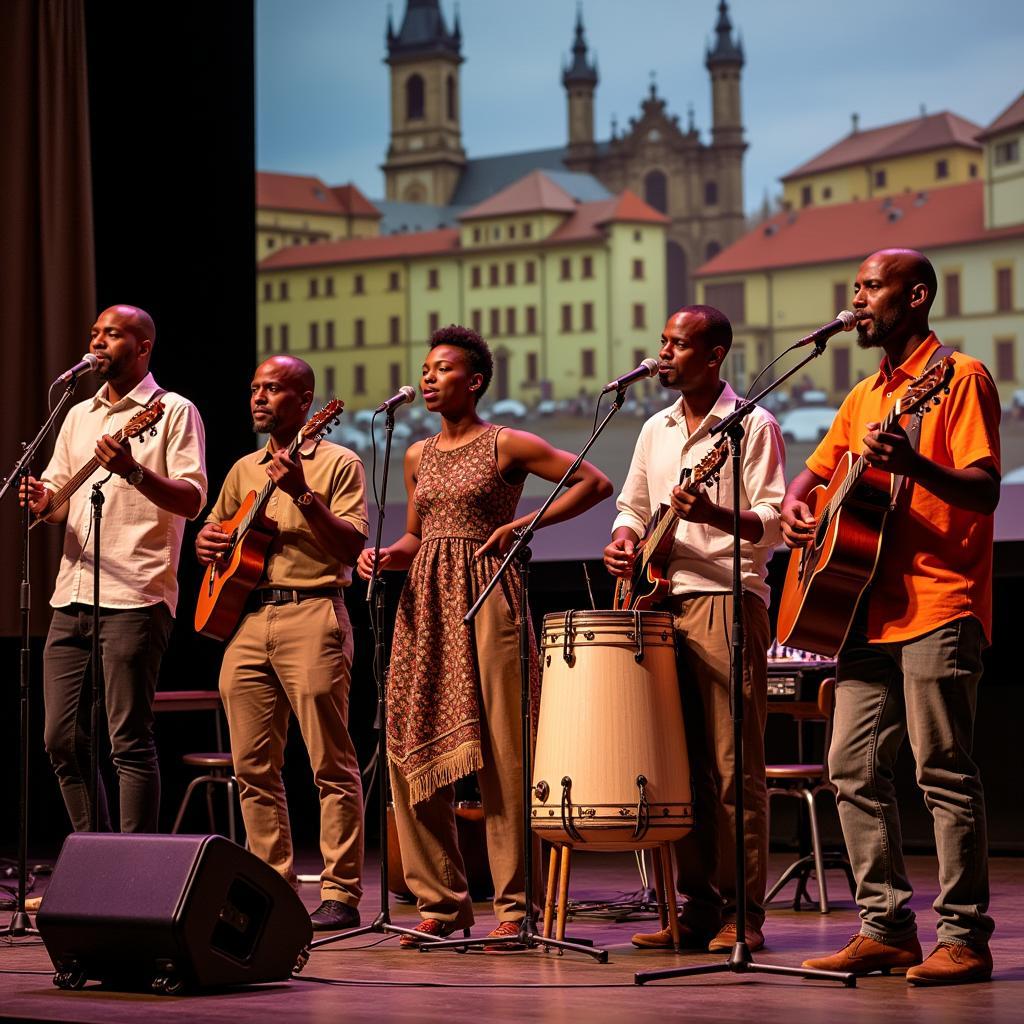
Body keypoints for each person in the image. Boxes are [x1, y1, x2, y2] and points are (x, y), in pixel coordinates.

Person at [357, 324, 611, 949]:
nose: (427, 378)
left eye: (442, 369)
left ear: (473, 382)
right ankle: (440, 901)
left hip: (489, 594)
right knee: (408, 741)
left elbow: (594, 483)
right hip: (424, 603)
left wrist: (524, 525)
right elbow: (418, 536)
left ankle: (514, 904)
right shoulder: (416, 454)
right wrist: (387, 555)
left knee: (503, 749)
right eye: (425, 368)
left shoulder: (506, 443)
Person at [786, 249, 999, 985]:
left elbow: (985, 490)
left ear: (916, 296)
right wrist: (798, 510)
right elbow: (809, 478)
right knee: (850, 768)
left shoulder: (958, 377)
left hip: (940, 600)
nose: (857, 300)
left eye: (870, 288)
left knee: (942, 771)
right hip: (861, 609)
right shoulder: (865, 395)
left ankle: (965, 937)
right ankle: (886, 929)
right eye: (854, 288)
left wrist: (915, 468)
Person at [604, 305, 785, 954]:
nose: (664, 354)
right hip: (661, 604)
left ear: (714, 356)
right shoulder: (654, 427)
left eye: (678, 345)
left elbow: (773, 520)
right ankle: (697, 907)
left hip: (726, 602)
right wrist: (624, 541)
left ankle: (745, 914)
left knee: (735, 769)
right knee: (680, 771)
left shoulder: (751, 426)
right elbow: (631, 506)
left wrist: (712, 511)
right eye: (662, 343)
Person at [20, 304, 207, 835]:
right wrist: (42, 500)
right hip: (70, 593)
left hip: (136, 594)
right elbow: (58, 504)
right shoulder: (77, 413)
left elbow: (192, 500)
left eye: (114, 334)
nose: (98, 342)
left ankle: (135, 874)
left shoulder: (172, 411)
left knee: (127, 740)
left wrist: (133, 469)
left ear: (143, 346)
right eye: (95, 333)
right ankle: (94, 857)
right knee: (62, 740)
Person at [195, 355, 367, 932]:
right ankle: (270, 887)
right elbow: (216, 528)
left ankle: (341, 891)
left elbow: (350, 547)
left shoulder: (339, 462)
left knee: (329, 763)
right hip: (247, 619)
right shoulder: (244, 467)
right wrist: (209, 543)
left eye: (273, 389)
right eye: (254, 389)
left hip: (312, 612)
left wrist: (303, 495)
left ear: (306, 402)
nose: (258, 398)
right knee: (252, 769)